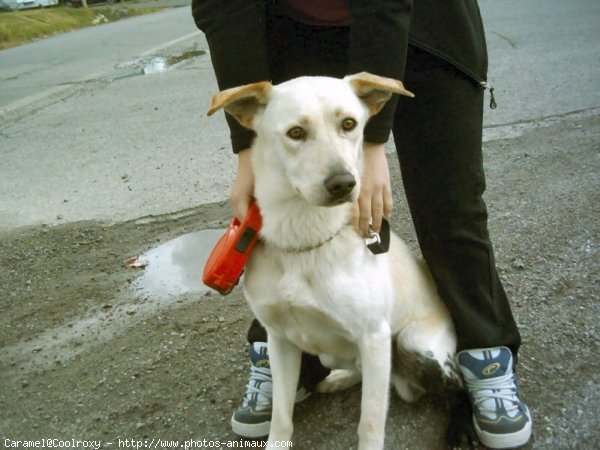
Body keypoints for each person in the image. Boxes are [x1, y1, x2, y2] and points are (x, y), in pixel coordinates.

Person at [192, 1, 532, 448]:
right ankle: (287, 357)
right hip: (291, 28)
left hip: (426, 27)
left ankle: (484, 353)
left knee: (451, 207)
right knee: (282, 203)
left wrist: (371, 146)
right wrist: (246, 153)